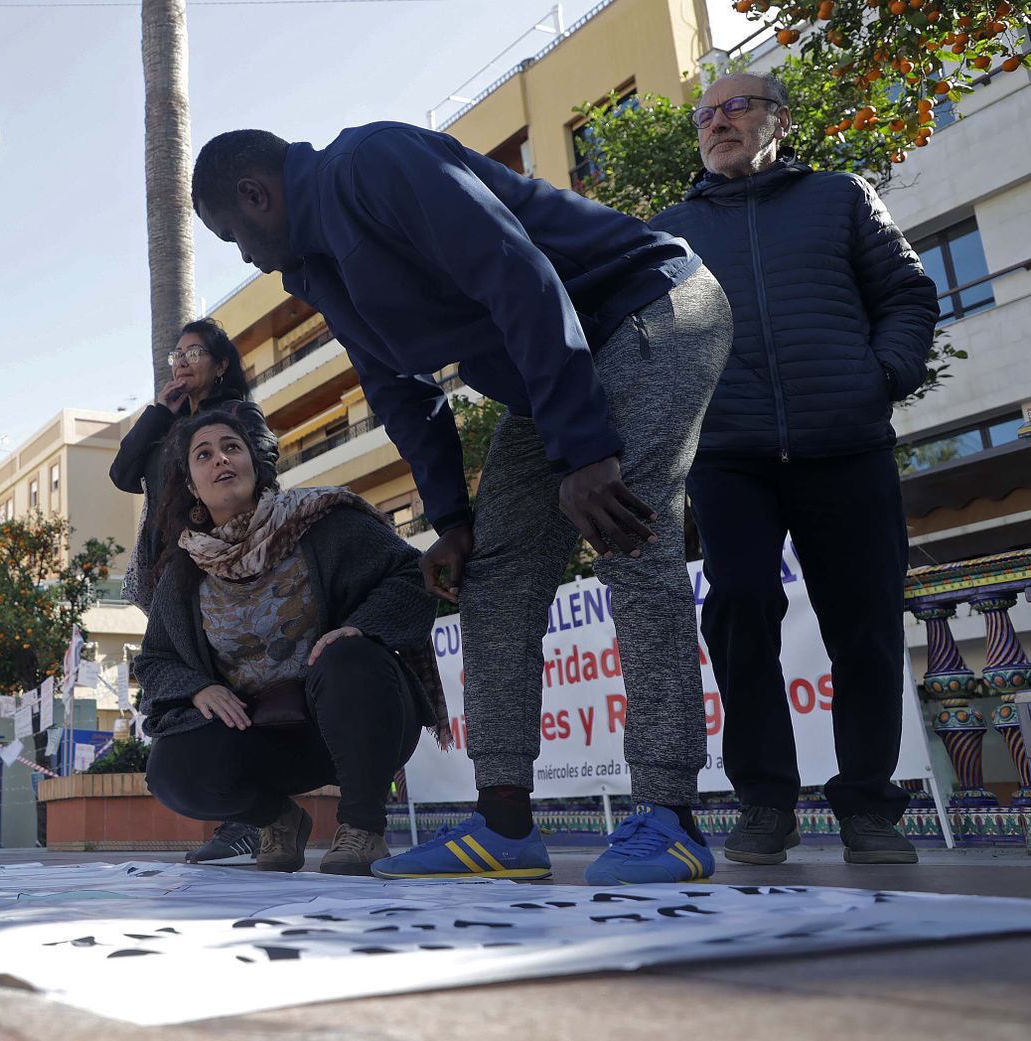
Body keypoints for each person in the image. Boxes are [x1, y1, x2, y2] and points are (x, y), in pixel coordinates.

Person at [193, 123, 733, 884]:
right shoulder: (315, 271)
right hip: (547, 368)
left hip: (648, 308)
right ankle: (506, 822)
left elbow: (518, 272)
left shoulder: (371, 164)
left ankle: (669, 816)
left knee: (628, 537)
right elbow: (398, 391)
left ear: (256, 194)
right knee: (495, 575)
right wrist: (450, 519)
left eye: (231, 234)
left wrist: (583, 449)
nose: (242, 253)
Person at [649, 74, 936, 867]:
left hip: (845, 441)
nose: (717, 122)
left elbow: (908, 293)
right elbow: (642, 341)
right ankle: (767, 802)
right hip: (728, 453)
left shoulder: (841, 197)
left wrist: (880, 375)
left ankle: (871, 807)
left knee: (866, 623)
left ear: (779, 119)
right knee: (739, 610)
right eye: (706, 115)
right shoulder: (669, 230)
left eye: (735, 107)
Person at [136, 411, 450, 875]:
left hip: (359, 718)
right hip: (263, 743)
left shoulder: (323, 521)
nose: (220, 458)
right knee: (171, 770)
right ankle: (277, 820)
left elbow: (411, 574)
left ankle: (362, 828)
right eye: (204, 455)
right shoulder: (182, 573)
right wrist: (198, 689)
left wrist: (362, 626)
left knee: (348, 656)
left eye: (231, 447)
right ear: (193, 487)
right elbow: (155, 660)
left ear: (253, 463)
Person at [110, 317, 277, 868]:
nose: (182, 363)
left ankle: (245, 823)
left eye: (194, 353)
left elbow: (265, 465)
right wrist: (160, 411)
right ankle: (242, 815)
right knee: (187, 687)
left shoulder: (235, 417)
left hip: (220, 565)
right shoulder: (165, 427)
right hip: (169, 573)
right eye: (175, 355)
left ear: (222, 364)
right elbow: (121, 471)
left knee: (230, 680)